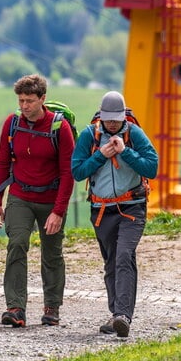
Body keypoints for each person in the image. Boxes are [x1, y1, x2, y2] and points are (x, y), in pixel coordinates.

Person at [71, 90, 158, 338]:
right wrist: (101, 155)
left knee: (123, 255)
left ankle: (123, 316)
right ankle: (115, 314)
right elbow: (77, 172)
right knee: (111, 262)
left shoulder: (134, 133)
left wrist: (125, 152)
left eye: (116, 119)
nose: (112, 124)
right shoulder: (89, 136)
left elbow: (152, 167)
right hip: (101, 210)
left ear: (123, 116)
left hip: (132, 206)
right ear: (101, 117)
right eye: (108, 119)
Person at [0, 74, 74, 328]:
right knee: (16, 244)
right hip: (20, 196)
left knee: (52, 253)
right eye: (21, 100)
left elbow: (68, 172)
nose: (24, 106)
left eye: (29, 100)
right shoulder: (12, 123)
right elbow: (2, 161)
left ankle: (52, 307)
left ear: (42, 99)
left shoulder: (60, 128)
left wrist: (58, 211)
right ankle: (15, 308)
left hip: (51, 199)